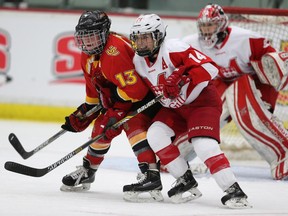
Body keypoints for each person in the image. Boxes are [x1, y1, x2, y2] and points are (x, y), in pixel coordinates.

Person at [127, 13, 251, 208]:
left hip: (201, 103)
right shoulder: (138, 61)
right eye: (138, 38)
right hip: (175, 109)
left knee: (204, 145)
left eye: (146, 37)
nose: (141, 43)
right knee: (155, 135)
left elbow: (211, 69)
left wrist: (181, 78)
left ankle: (234, 190)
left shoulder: (175, 49)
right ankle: (185, 180)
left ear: (158, 36)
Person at [60, 10, 163, 202]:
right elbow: (93, 89)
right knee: (101, 127)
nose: (87, 41)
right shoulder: (88, 55)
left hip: (147, 96)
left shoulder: (115, 51)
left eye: (91, 35)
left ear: (104, 33)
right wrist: (86, 111)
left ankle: (150, 174)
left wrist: (115, 108)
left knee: (132, 126)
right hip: (124, 98)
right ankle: (88, 171)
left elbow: (137, 92)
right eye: (84, 36)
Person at [182, 3, 288, 180]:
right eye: (203, 26)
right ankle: (177, 154)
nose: (206, 30)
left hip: (252, 88)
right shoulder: (190, 44)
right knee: (204, 119)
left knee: (243, 102)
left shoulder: (247, 39)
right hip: (220, 86)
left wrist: (266, 102)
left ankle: (283, 154)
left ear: (222, 24)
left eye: (211, 25)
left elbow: (272, 71)